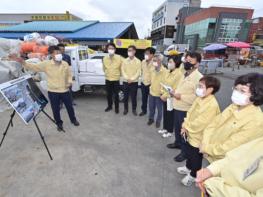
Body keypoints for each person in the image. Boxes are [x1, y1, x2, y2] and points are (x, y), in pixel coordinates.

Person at [12, 46, 79, 131]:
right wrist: (23, 62)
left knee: (70, 107)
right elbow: (34, 67)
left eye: (59, 53)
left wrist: (69, 82)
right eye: (57, 53)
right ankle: (59, 123)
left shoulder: (65, 64)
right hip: (53, 92)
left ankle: (73, 120)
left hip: (65, 91)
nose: (59, 54)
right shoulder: (46, 64)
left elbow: (69, 74)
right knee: (55, 109)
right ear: (51, 54)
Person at [200, 73, 263, 163]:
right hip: (211, 153)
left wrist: (207, 149)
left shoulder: (256, 121)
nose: (237, 93)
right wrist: (205, 144)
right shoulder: (234, 106)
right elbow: (214, 124)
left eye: (242, 91)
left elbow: (230, 146)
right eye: (236, 89)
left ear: (256, 94)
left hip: (226, 162)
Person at [177, 76, 221, 186]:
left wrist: (187, 127)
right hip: (190, 132)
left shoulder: (211, 104)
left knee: (196, 157)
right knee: (189, 152)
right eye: (199, 86)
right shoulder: (200, 98)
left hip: (200, 136)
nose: (198, 89)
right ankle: (188, 167)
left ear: (210, 89)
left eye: (201, 86)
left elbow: (201, 123)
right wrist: (185, 124)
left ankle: (194, 175)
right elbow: (190, 112)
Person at [196, 137, 263, 197]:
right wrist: (212, 170)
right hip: (218, 181)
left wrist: (213, 186)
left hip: (217, 188)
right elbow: (238, 154)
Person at [168, 52, 203, 163]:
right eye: (186, 60)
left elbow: (197, 97)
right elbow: (181, 88)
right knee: (177, 128)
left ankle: (184, 152)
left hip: (186, 109)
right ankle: (177, 143)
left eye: (190, 61)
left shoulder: (199, 78)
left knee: (184, 131)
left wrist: (180, 96)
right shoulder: (185, 73)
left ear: (197, 64)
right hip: (178, 105)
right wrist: (174, 92)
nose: (187, 63)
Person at [158, 55, 184, 138]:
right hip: (165, 96)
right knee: (165, 113)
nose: (168, 64)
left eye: (170, 62)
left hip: (171, 98)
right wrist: (162, 93)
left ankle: (169, 131)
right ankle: (165, 128)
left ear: (176, 63)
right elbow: (163, 82)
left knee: (170, 114)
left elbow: (175, 88)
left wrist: (165, 95)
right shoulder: (168, 71)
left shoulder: (179, 74)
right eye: (168, 62)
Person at [121, 45, 141, 116]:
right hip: (126, 82)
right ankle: (125, 109)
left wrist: (132, 79)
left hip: (134, 82)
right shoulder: (124, 61)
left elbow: (138, 72)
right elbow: (123, 70)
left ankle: (134, 109)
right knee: (125, 97)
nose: (129, 52)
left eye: (130, 50)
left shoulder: (138, 61)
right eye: (128, 50)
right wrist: (127, 78)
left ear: (134, 51)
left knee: (133, 97)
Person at [103, 43, 123, 114]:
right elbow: (104, 68)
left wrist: (119, 75)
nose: (110, 50)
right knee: (108, 94)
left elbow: (122, 67)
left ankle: (116, 108)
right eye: (109, 48)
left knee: (116, 95)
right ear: (107, 50)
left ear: (115, 49)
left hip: (115, 80)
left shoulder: (119, 57)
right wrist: (107, 73)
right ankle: (109, 106)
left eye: (112, 48)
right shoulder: (105, 58)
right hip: (108, 79)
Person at [147, 54, 166, 128]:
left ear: (160, 61)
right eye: (153, 60)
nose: (153, 62)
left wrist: (162, 93)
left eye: (154, 61)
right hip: (152, 93)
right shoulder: (152, 70)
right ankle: (151, 119)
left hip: (159, 95)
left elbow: (166, 84)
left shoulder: (165, 71)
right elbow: (151, 80)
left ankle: (158, 121)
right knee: (151, 108)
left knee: (159, 110)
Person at [139, 47, 155, 116]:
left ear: (152, 55)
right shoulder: (143, 61)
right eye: (145, 53)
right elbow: (141, 71)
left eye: (147, 53)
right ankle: (144, 110)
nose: (145, 55)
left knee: (152, 101)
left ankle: (152, 114)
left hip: (152, 84)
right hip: (144, 83)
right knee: (144, 98)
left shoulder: (155, 63)